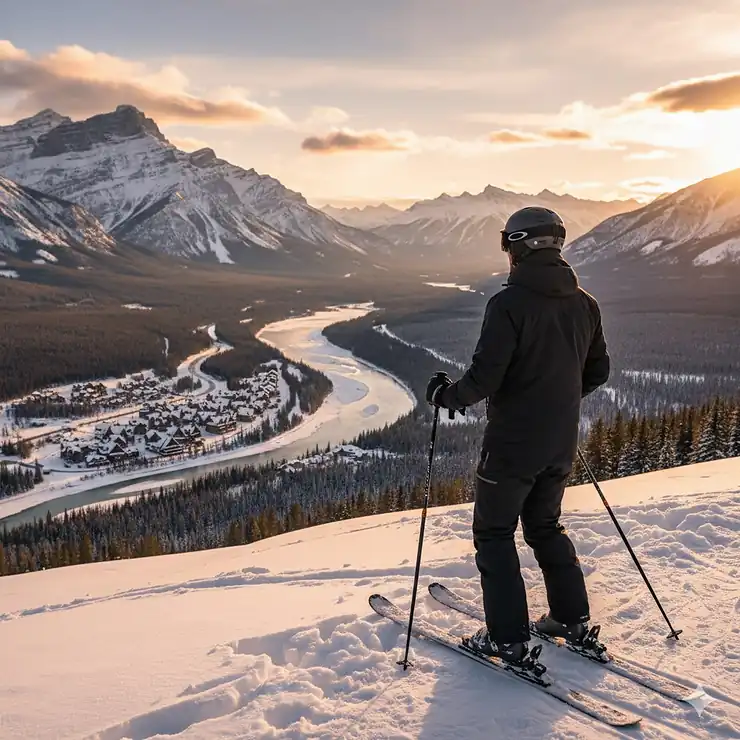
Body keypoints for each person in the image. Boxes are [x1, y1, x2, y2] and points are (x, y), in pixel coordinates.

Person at [426, 206, 610, 665]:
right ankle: (571, 618)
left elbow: (485, 378)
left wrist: (446, 397)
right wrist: (556, 401)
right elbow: (597, 372)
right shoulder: (586, 304)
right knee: (545, 526)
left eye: (507, 244)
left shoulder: (507, 304)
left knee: (493, 534)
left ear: (518, 246)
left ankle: (506, 639)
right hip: (560, 441)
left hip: (511, 448)